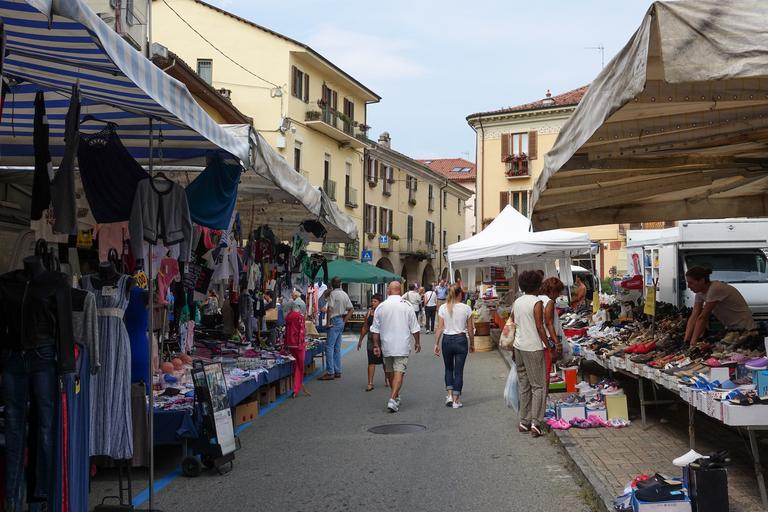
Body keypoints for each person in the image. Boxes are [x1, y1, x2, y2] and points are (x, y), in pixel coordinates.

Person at [370, 281, 421, 413]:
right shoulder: (407, 306)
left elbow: (375, 329)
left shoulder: (381, 307)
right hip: (402, 345)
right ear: (400, 290)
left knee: (390, 371)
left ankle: (394, 397)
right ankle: (393, 397)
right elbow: (415, 327)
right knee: (399, 371)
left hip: (386, 345)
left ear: (388, 291)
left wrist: (375, 345)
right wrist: (417, 342)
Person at [511, 271, 549, 437]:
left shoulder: (517, 301)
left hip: (518, 346)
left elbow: (514, 323)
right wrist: (549, 345)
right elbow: (540, 327)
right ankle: (536, 422)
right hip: (533, 347)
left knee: (524, 384)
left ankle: (523, 421)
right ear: (536, 285)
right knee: (538, 386)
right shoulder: (536, 302)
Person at [684, 266, 755, 345]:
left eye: (691, 283)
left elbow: (703, 317)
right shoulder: (700, 292)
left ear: (702, 281)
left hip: (745, 328)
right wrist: (686, 340)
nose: (688, 286)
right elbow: (694, 315)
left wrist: (693, 342)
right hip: (731, 329)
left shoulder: (715, 289)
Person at [434, 285, 474, 408]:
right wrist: (472, 343)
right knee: (458, 371)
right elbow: (470, 329)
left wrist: (436, 343)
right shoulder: (466, 308)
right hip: (461, 340)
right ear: (460, 294)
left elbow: (440, 328)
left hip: (447, 340)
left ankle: (449, 395)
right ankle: (456, 400)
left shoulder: (443, 308)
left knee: (448, 369)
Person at [319, 277, 353, 380]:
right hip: (340, 320)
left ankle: (330, 372)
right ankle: (337, 370)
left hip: (334, 320)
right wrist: (344, 321)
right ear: (340, 284)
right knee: (337, 348)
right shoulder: (344, 294)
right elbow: (351, 309)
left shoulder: (333, 294)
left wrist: (328, 323)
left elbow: (330, 309)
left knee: (329, 347)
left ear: (332, 285)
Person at [357, 294, 388, 391]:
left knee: (385, 361)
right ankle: (370, 383)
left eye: (375, 301)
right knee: (371, 361)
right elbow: (365, 327)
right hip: (371, 340)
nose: (373, 303)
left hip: (383, 340)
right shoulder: (369, 313)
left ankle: (387, 378)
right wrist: (360, 340)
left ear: (380, 302)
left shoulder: (384, 313)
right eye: (372, 301)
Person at [539, 277, 565, 381]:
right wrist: (557, 342)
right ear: (553, 291)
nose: (558, 295)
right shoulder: (549, 302)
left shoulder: (538, 299)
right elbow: (549, 323)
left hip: (537, 342)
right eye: (558, 292)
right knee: (545, 375)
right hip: (547, 343)